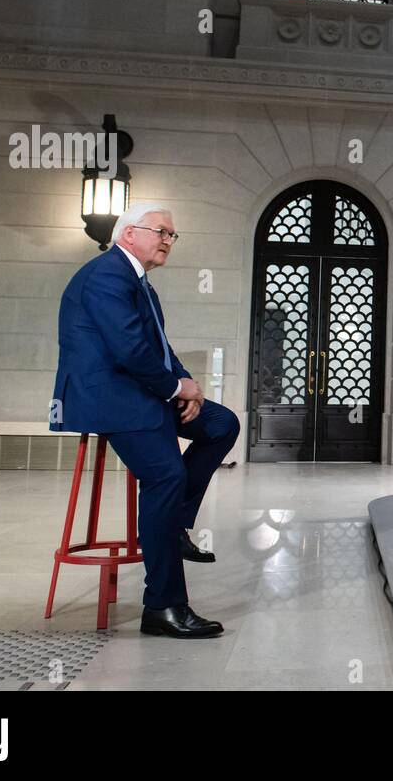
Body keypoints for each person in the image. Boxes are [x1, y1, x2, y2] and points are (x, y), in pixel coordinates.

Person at [51, 202, 240, 639]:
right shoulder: (106, 276)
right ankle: (163, 606)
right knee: (166, 476)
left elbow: (156, 346)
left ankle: (172, 525)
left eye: (173, 235)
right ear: (128, 233)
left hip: (142, 390)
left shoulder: (140, 282)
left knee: (221, 424)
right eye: (162, 231)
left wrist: (185, 380)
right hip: (110, 397)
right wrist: (176, 390)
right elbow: (129, 349)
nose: (169, 240)